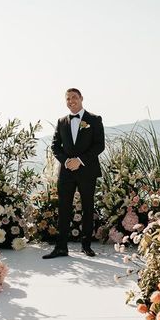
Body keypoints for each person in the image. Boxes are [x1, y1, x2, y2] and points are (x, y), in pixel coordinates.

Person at [42, 88, 105, 259]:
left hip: (87, 171)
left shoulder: (94, 119)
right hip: (67, 171)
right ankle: (61, 247)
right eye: (68, 99)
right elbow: (55, 146)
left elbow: (99, 145)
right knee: (63, 209)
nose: (71, 101)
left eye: (74, 97)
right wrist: (66, 161)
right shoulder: (62, 121)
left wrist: (80, 160)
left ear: (81, 98)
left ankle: (86, 246)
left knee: (87, 207)